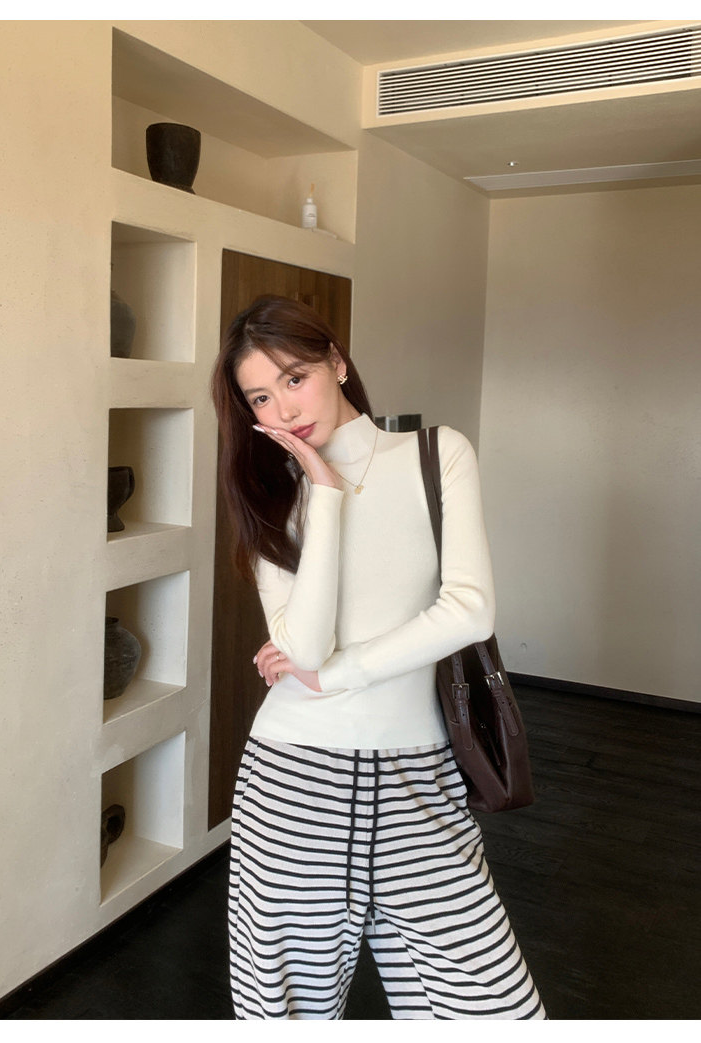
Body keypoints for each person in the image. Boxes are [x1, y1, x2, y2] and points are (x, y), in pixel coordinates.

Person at [211, 295, 545, 1021]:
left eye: (294, 378)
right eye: (260, 397)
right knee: (283, 1013)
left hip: (418, 779)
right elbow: (301, 647)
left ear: (335, 361)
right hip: (292, 782)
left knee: (492, 1010)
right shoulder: (271, 494)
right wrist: (323, 493)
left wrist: (336, 674)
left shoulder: (436, 453)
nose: (284, 408)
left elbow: (469, 609)